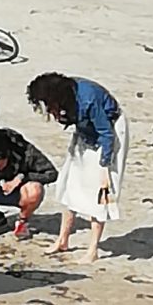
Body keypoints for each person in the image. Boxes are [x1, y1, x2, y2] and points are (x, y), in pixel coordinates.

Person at [27, 73, 129, 264]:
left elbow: (106, 134)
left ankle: (93, 249)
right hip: (86, 133)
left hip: (110, 134)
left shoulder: (88, 99)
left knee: (100, 193)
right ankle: (62, 240)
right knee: (70, 184)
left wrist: (104, 165)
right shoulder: (67, 95)